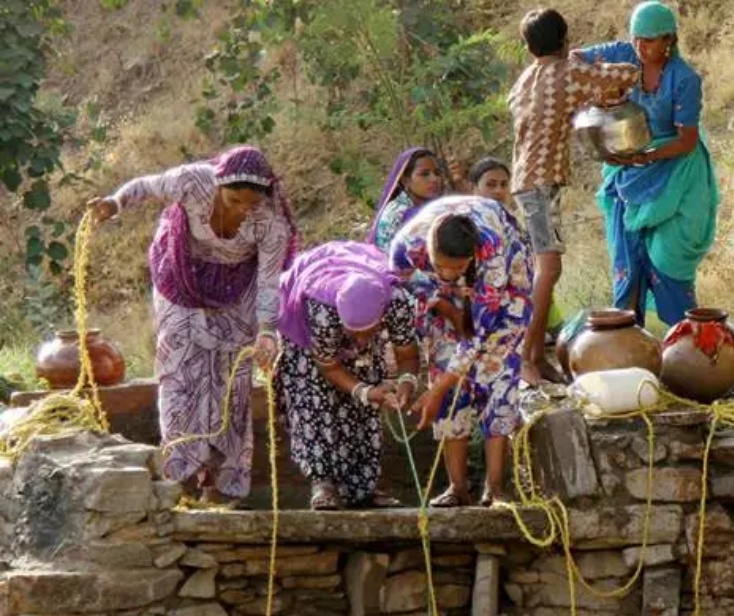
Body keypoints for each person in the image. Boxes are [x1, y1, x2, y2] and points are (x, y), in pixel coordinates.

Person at [87, 146, 300, 506]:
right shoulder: (193, 181)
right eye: (233, 200)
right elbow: (146, 187)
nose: (241, 210)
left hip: (238, 289)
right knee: (181, 374)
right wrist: (114, 203)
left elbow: (267, 282)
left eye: (250, 204)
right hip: (181, 278)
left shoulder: (270, 221)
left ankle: (217, 481)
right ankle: (180, 475)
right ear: (218, 185)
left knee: (230, 380)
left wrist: (266, 331)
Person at [508, 8, 641, 384]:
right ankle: (525, 358)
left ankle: (536, 354)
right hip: (539, 182)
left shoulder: (526, 78)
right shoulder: (568, 71)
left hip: (528, 180)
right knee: (548, 268)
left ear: (528, 47)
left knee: (550, 268)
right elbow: (625, 74)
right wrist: (591, 62)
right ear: (565, 41)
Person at [573, 1, 718, 328]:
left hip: (676, 172)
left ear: (669, 40)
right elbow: (574, 59)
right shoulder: (623, 56)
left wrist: (647, 157)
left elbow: (687, 140)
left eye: (649, 40)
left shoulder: (684, 79)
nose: (640, 46)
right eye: (636, 38)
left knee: (667, 257)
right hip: (628, 173)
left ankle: (686, 337)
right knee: (628, 259)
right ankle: (627, 337)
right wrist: (601, 89)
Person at [389, 195, 533, 508]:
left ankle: (494, 487)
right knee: (444, 368)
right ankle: (457, 488)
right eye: (442, 265)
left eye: (458, 267)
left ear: (472, 257)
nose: (450, 272)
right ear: (429, 251)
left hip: (505, 293)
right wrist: (445, 301)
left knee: (498, 376)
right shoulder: (405, 246)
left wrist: (439, 390)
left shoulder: (492, 253)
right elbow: (402, 284)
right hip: (441, 300)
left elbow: (480, 332)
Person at [275, 241, 421, 510]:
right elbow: (328, 365)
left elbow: (408, 354)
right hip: (307, 334)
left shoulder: (397, 303)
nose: (361, 339)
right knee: (314, 397)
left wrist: (406, 384)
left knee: (367, 387)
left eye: (368, 330)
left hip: (354, 300)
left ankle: (362, 487)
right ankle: (323, 484)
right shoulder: (322, 313)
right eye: (354, 332)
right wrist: (362, 390)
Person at [471, 156, 566, 349]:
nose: (498, 190)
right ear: (474, 188)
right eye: (490, 185)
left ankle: (546, 327)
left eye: (504, 184)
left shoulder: (512, 219)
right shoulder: (471, 224)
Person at [367, 148, 468, 252]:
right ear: (406, 181)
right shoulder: (395, 214)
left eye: (437, 173)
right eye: (425, 174)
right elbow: (387, 258)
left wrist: (460, 184)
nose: (434, 179)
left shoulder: (439, 207)